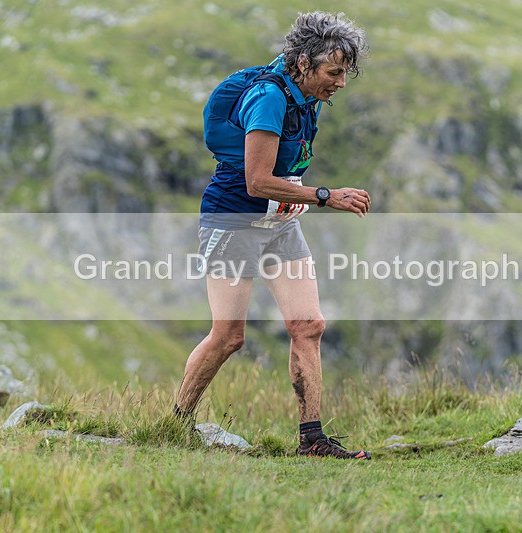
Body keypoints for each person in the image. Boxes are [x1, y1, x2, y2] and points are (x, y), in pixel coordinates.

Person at [175, 12, 371, 459]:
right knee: (228, 336)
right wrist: (326, 195)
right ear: (304, 63)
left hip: (280, 221)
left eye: (345, 73)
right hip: (233, 219)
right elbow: (256, 181)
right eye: (333, 73)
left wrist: (303, 198)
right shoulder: (268, 97)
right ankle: (177, 422)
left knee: (309, 325)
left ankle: (312, 439)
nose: (340, 83)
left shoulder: (305, 93)